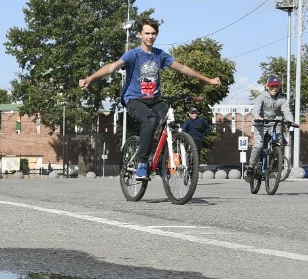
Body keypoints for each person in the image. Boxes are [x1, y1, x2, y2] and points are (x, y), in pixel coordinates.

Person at [79, 18, 222, 180]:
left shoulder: (160, 55)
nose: (150, 37)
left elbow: (182, 68)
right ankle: (142, 163)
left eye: (153, 33)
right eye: (147, 33)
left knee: (171, 123)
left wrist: (208, 79)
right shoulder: (133, 54)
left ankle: (160, 162)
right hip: (134, 99)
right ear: (139, 34)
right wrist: (90, 78)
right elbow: (112, 67)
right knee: (150, 120)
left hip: (155, 99)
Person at [245, 75, 294, 176]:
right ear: (267, 86)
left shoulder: (282, 100)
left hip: (274, 124)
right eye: (272, 86)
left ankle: (275, 161)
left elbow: (287, 112)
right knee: (258, 146)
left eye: (276, 86)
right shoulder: (261, 97)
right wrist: (257, 116)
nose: (274, 88)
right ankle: (251, 167)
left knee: (279, 142)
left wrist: (291, 121)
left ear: (279, 87)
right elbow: (256, 109)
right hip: (260, 124)